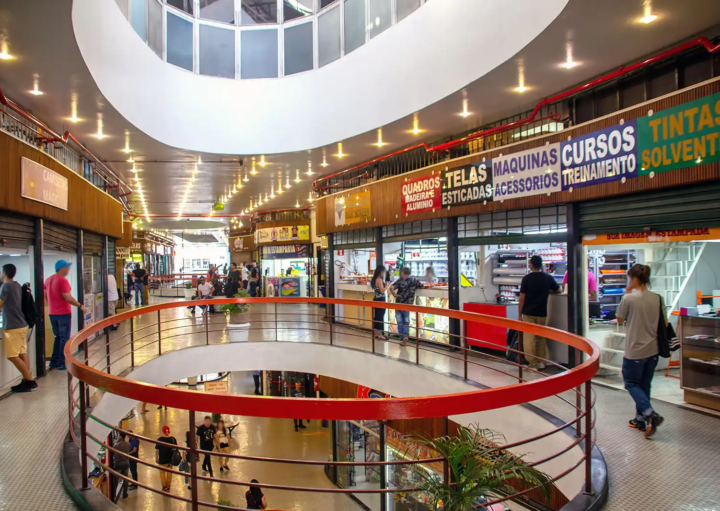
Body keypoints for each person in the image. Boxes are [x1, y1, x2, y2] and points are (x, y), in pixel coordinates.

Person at [616, 264, 665, 437]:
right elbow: (664, 322)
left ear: (634, 279)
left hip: (635, 350)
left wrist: (628, 292)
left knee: (631, 383)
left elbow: (620, 318)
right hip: (653, 350)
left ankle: (650, 413)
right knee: (644, 385)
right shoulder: (657, 298)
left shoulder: (629, 299)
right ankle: (640, 420)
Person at [518, 255, 560, 370]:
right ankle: (542, 362)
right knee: (541, 337)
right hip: (542, 312)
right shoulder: (548, 278)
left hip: (528, 312)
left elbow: (522, 298)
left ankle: (532, 363)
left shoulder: (526, 279)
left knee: (529, 338)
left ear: (531, 264)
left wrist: (519, 315)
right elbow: (559, 289)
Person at [45, 260, 85, 370]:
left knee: (57, 337)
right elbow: (68, 297)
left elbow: (45, 296)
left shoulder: (48, 279)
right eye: (67, 267)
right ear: (62, 268)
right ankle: (63, 362)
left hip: (52, 313)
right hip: (63, 313)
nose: (68, 269)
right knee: (64, 338)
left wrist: (52, 305)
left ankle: (54, 361)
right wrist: (80, 305)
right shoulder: (62, 281)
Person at [0, 264, 35, 392]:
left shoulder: (5, 286)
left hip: (13, 327)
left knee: (12, 356)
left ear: (4, 273)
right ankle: (27, 380)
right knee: (21, 353)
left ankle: (30, 380)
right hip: (22, 325)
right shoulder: (16, 285)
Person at [388, 267, 424, 345]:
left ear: (403, 273)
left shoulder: (400, 280)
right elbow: (422, 286)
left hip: (399, 304)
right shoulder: (414, 280)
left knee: (400, 321)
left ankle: (401, 338)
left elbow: (391, 287)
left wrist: (394, 295)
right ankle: (405, 337)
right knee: (406, 321)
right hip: (408, 305)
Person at [155, 425, 177, 492]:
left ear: (163, 431)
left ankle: (164, 486)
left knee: (162, 473)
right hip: (170, 460)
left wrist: (156, 457)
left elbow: (157, 450)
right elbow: (176, 448)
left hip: (162, 460)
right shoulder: (173, 439)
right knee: (169, 473)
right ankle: (168, 486)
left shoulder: (159, 440)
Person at [113, 432, 131, 499]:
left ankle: (114, 494)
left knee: (116, 481)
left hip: (118, 464)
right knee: (125, 480)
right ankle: (125, 493)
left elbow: (112, 450)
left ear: (120, 436)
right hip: (126, 463)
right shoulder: (128, 444)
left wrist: (117, 441)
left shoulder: (117, 445)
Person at [371, 265, 387, 340]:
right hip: (381, 299)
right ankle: (380, 334)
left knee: (377, 317)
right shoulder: (379, 280)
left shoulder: (374, 279)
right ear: (381, 271)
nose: (384, 273)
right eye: (383, 271)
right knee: (380, 317)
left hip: (376, 299)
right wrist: (387, 286)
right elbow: (382, 290)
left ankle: (376, 333)